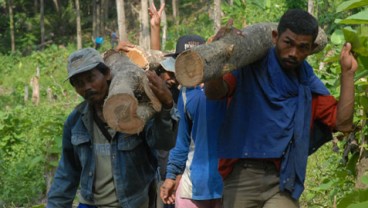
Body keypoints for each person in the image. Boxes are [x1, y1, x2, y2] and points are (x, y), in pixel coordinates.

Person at [204, 9, 358, 208]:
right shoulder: (250, 65)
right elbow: (214, 92)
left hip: (283, 178)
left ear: (311, 49)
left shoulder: (306, 82)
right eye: (288, 43)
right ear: (275, 37)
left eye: (303, 47)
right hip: (242, 175)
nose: (293, 53)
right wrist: (218, 58)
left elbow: (343, 123)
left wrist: (348, 74)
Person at [47, 47, 178, 208]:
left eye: (91, 78)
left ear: (107, 74)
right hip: (90, 204)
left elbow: (163, 143)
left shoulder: (136, 110)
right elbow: (67, 172)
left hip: (133, 203)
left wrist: (166, 106)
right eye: (79, 83)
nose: (87, 87)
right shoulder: (76, 121)